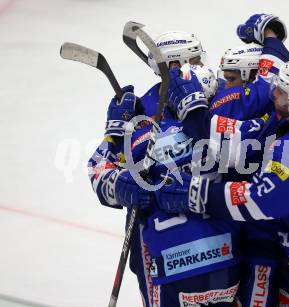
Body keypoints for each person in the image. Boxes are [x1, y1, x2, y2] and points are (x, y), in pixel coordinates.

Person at [155, 58, 289, 307]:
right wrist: (193, 109)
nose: (273, 93)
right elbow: (234, 138)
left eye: (281, 91)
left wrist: (194, 193)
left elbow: (261, 200)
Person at [89, 31, 241, 306]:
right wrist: (119, 183)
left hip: (225, 250)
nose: (203, 66)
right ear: (174, 66)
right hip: (161, 256)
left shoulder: (221, 95)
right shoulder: (141, 112)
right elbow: (99, 167)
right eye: (194, 60)